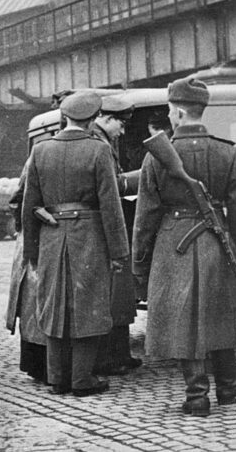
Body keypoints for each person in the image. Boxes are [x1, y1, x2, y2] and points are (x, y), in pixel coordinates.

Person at [132, 77, 236, 417]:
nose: (169, 117)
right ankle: (228, 386)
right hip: (217, 241)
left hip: (175, 244)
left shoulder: (155, 158)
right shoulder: (227, 152)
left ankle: (197, 395)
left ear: (179, 113)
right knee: (220, 310)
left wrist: (139, 264)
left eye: (171, 111)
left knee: (186, 318)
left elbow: (145, 218)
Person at [22, 90, 129, 396]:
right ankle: (82, 379)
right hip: (89, 237)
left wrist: (32, 250)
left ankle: (57, 379)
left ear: (64, 117)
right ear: (93, 118)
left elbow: (30, 204)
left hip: (51, 238)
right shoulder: (99, 151)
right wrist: (119, 250)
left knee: (54, 304)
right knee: (89, 304)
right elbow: (111, 206)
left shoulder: (41, 151)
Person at [91, 95, 142, 376]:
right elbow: (111, 187)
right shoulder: (99, 144)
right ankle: (112, 358)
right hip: (107, 229)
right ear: (106, 119)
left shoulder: (104, 141)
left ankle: (120, 354)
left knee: (118, 295)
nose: (122, 131)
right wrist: (141, 176)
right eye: (120, 125)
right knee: (112, 295)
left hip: (109, 225)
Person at [6, 161, 47, 384]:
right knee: (35, 303)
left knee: (35, 304)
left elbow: (15, 201)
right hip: (35, 237)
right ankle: (38, 365)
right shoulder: (36, 160)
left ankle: (37, 365)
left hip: (33, 235)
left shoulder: (36, 157)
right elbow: (17, 201)